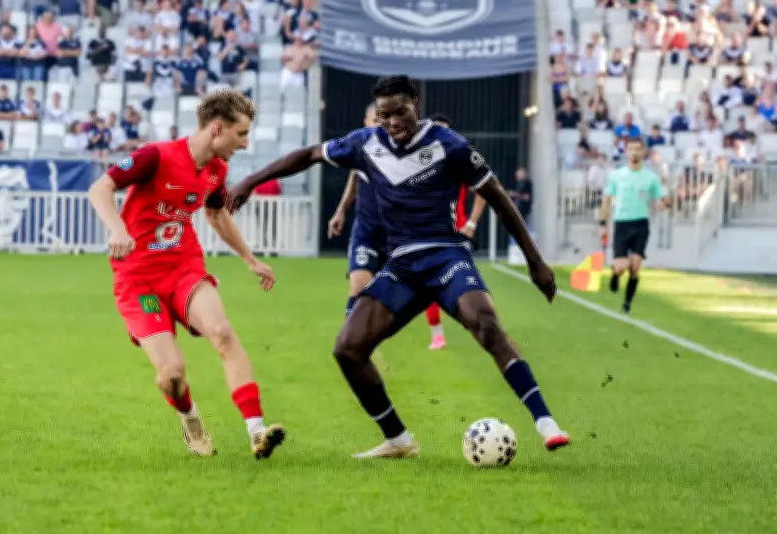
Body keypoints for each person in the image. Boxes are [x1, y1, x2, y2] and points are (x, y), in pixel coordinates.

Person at [227, 76, 569, 458]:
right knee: (347, 348)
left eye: (400, 112)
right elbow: (308, 155)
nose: (393, 122)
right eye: (385, 115)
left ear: (416, 106)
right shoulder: (364, 143)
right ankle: (398, 440)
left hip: (445, 255)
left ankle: (545, 422)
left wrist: (535, 262)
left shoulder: (449, 145)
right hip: (403, 265)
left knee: (485, 322)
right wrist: (250, 181)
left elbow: (500, 199)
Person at [87, 90, 286, 459]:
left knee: (223, 333)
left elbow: (215, 214)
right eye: (241, 134)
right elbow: (101, 189)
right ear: (217, 128)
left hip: (184, 269)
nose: (245, 143)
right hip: (138, 280)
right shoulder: (155, 156)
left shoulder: (215, 170)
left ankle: (257, 430)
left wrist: (249, 258)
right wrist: (117, 229)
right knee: (172, 374)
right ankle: (189, 416)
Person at [423, 113, 486, 350]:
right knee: (429, 287)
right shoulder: (417, 161)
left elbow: (482, 190)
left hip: (454, 233)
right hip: (426, 233)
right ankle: (437, 335)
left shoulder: (459, 160)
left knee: (462, 285)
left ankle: (478, 325)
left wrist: (471, 224)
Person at [326, 103, 387, 321]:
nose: (379, 126)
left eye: (383, 121)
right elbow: (355, 175)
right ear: (366, 122)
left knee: (385, 304)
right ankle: (348, 346)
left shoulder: (402, 153)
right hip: (366, 231)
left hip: (396, 235)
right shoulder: (361, 148)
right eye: (375, 121)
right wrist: (341, 210)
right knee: (358, 290)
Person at [598, 138, 669, 313]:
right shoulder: (617, 176)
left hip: (640, 223)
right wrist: (602, 222)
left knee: (635, 266)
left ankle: (627, 303)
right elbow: (606, 200)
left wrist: (663, 203)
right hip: (622, 223)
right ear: (626, 152)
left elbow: (664, 197)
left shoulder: (651, 178)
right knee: (622, 266)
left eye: (638, 149)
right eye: (631, 149)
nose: (634, 153)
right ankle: (615, 274)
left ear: (644, 152)